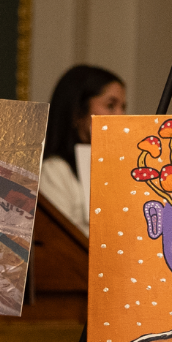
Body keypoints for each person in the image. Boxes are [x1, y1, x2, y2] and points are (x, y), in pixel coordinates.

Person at [40, 65, 126, 230]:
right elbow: (60, 240)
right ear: (78, 112)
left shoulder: (119, 169)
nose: (121, 116)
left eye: (123, 107)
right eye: (110, 106)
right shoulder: (55, 171)